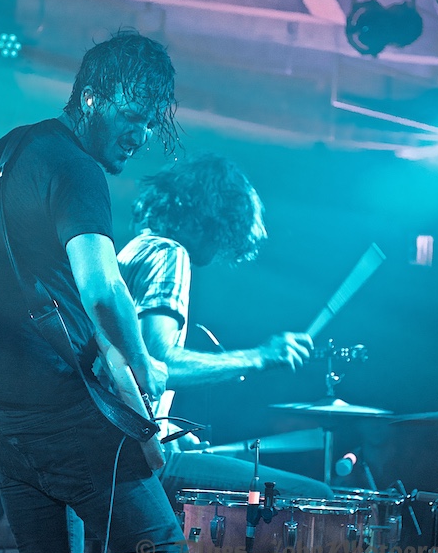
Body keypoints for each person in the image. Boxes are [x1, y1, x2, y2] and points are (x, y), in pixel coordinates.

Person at [0, 30, 189, 553]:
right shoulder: (79, 168)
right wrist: (146, 367)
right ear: (90, 98)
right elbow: (102, 289)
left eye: (152, 122)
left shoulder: (5, 151)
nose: (142, 134)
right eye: (134, 115)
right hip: (61, 412)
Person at [118, 153, 333, 505]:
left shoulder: (135, 249)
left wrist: (168, 430)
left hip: (110, 444)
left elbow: (126, 366)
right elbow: (156, 363)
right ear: (209, 217)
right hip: (134, 457)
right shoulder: (171, 254)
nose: (221, 247)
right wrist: (261, 356)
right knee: (313, 496)